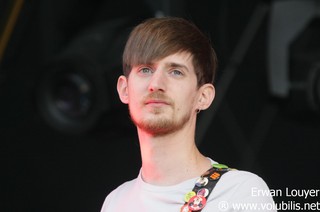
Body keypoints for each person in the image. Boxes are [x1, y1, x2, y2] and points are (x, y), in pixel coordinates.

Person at [101, 17, 276, 212]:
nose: (156, 84)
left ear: (203, 96)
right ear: (124, 89)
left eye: (176, 72)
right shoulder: (116, 202)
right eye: (145, 69)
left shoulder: (239, 193)